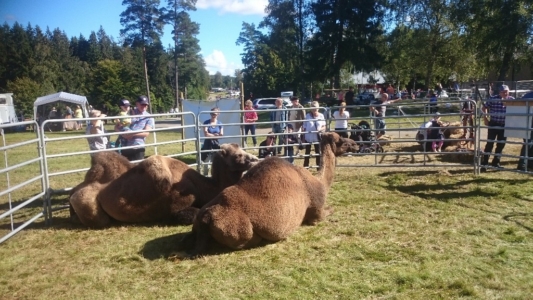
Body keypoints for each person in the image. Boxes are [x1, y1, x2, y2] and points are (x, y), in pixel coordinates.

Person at [481, 85, 512, 172]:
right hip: (494, 123)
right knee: (490, 143)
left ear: (508, 92)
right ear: (499, 92)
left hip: (505, 124)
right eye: (503, 92)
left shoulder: (512, 99)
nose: (505, 93)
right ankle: (485, 163)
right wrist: (485, 118)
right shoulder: (493, 98)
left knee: (501, 144)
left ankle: (496, 162)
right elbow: (484, 108)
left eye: (506, 91)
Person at [114, 95, 155, 161]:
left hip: (138, 146)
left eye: (146, 105)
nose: (144, 106)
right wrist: (123, 134)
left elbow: (146, 133)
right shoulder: (129, 112)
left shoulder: (149, 117)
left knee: (137, 168)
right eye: (142, 104)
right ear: (137, 104)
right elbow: (116, 127)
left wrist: (131, 134)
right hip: (125, 146)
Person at [302, 101, 326, 169]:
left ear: (318, 108)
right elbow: (304, 127)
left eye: (316, 108)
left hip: (317, 137)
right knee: (307, 153)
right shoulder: (307, 116)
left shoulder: (321, 115)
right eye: (313, 107)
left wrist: (320, 129)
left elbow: (324, 126)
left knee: (318, 152)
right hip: (308, 137)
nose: (314, 109)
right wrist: (303, 137)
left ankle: (319, 167)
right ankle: (305, 168)